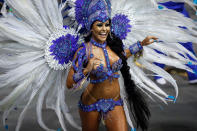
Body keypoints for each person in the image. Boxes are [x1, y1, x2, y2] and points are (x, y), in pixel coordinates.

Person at [1, 0, 197, 131]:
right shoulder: (82, 51)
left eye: (107, 24)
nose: (104, 29)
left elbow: (122, 56)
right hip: (90, 104)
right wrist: (85, 71)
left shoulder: (114, 43)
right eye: (99, 25)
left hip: (115, 103)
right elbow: (70, 83)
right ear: (90, 27)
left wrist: (141, 44)